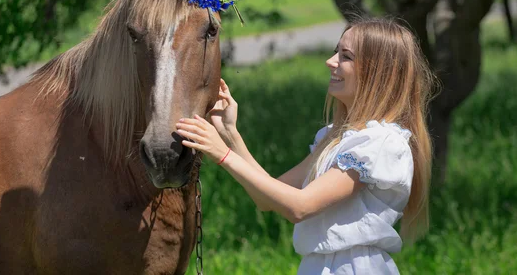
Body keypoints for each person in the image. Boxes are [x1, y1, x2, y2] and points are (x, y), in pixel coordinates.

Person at [176, 18, 436, 274]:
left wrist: (223, 154)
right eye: (336, 52)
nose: (330, 61)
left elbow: (300, 207)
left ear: (378, 72)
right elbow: (268, 197)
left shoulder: (379, 143)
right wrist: (230, 134)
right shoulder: (336, 138)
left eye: (346, 56)